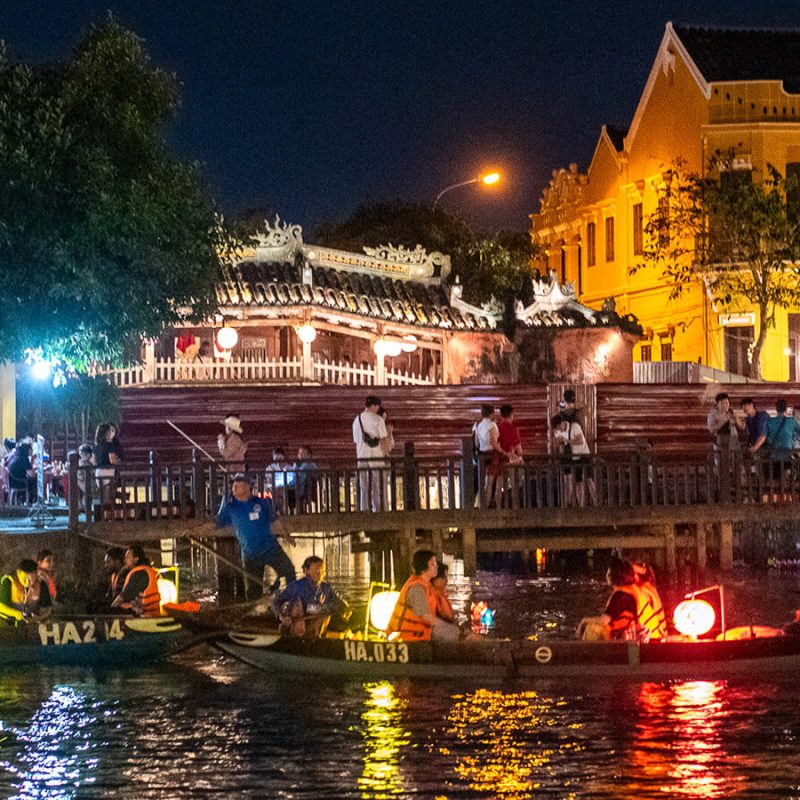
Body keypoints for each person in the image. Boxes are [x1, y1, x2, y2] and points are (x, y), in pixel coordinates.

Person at [215, 472, 295, 599]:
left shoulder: (262, 503)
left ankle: (290, 601)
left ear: (248, 486)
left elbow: (275, 520)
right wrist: (193, 530)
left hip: (271, 548)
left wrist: (287, 536)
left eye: (238, 483)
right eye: (233, 484)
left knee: (289, 572)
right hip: (250, 554)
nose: (234, 487)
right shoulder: (231, 508)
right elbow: (216, 522)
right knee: (253, 589)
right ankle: (254, 609)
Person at [387, 550, 460, 642]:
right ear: (423, 568)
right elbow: (424, 615)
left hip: (422, 631)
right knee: (451, 632)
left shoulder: (428, 586)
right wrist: (445, 625)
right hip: (410, 635)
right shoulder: (417, 588)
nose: (436, 566)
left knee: (453, 630)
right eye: (433, 564)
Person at [274, 555, 351, 637]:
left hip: (317, 625)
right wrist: (281, 616)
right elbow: (277, 601)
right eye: (317, 570)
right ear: (306, 571)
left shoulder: (326, 587)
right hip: (298, 625)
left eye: (322, 570)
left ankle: (319, 635)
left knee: (325, 613)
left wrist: (346, 607)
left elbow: (339, 600)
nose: (320, 573)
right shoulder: (296, 586)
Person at [352, 395, 389, 512]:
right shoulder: (378, 420)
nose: (378, 409)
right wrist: (386, 453)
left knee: (363, 485)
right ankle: (380, 509)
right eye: (377, 406)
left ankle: (364, 509)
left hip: (361, 456)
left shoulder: (356, 420)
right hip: (376, 457)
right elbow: (383, 440)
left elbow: (356, 440)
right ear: (373, 406)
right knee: (378, 485)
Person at [552, 413, 596, 507]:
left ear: (561, 423)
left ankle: (596, 502)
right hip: (573, 458)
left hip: (583, 455)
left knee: (589, 479)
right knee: (578, 481)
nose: (558, 430)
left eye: (558, 427)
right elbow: (558, 442)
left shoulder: (575, 426)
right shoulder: (557, 432)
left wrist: (568, 441)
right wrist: (560, 442)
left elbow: (580, 441)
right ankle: (581, 505)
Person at [111, 546, 161, 617]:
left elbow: (125, 595)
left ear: (136, 559)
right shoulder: (143, 570)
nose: (125, 560)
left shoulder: (140, 573)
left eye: (128, 557)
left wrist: (110, 609)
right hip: (147, 615)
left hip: (146, 617)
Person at [472, 404, 504, 507]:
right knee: (491, 482)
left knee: (483, 482)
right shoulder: (491, 425)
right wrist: (503, 451)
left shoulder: (477, 425)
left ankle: (482, 505)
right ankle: (491, 505)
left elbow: (476, 443)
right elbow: (493, 442)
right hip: (492, 454)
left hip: (482, 455)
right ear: (492, 413)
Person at [766, 398, 800, 483]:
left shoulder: (770, 421)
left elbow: (767, 439)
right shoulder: (791, 421)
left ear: (776, 408)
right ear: (786, 408)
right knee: (788, 468)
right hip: (787, 453)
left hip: (774, 454)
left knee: (775, 476)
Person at [631, 560, 668, 639]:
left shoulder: (643, 593)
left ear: (637, 576)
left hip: (653, 639)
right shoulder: (650, 588)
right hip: (659, 637)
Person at [88, 547, 126, 613]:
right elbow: (109, 595)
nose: (106, 565)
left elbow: (120, 597)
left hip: (124, 609)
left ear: (117, 561)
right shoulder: (113, 575)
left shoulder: (125, 574)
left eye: (108, 562)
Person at [95, 422, 123, 505]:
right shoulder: (109, 444)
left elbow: (93, 460)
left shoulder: (96, 445)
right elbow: (112, 460)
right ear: (106, 433)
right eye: (110, 431)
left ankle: (103, 515)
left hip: (98, 472)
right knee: (108, 497)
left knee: (102, 496)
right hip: (108, 472)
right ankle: (107, 516)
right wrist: (118, 461)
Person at [265, 447, 296, 514]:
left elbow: (292, 478)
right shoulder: (270, 467)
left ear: (283, 457)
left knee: (281, 490)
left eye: (279, 458)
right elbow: (268, 479)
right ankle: (282, 512)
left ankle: (279, 511)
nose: (278, 461)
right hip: (273, 487)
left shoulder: (289, 467)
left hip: (286, 486)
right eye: (276, 459)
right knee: (277, 490)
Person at [295, 445, 318, 513]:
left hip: (307, 488)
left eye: (303, 453)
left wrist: (296, 471)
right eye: (299, 453)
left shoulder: (310, 465)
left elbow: (301, 475)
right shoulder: (302, 465)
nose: (300, 455)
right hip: (302, 487)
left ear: (309, 455)